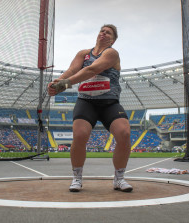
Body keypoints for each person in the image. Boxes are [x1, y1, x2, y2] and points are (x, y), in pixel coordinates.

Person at [48, 24, 132, 192]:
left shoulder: (111, 53)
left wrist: (66, 83)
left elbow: (93, 69)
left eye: (108, 33)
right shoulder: (83, 54)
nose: (104, 33)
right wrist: (57, 83)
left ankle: (119, 178)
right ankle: (77, 178)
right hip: (86, 102)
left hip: (109, 102)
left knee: (124, 133)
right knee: (80, 135)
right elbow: (72, 70)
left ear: (113, 40)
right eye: (102, 30)